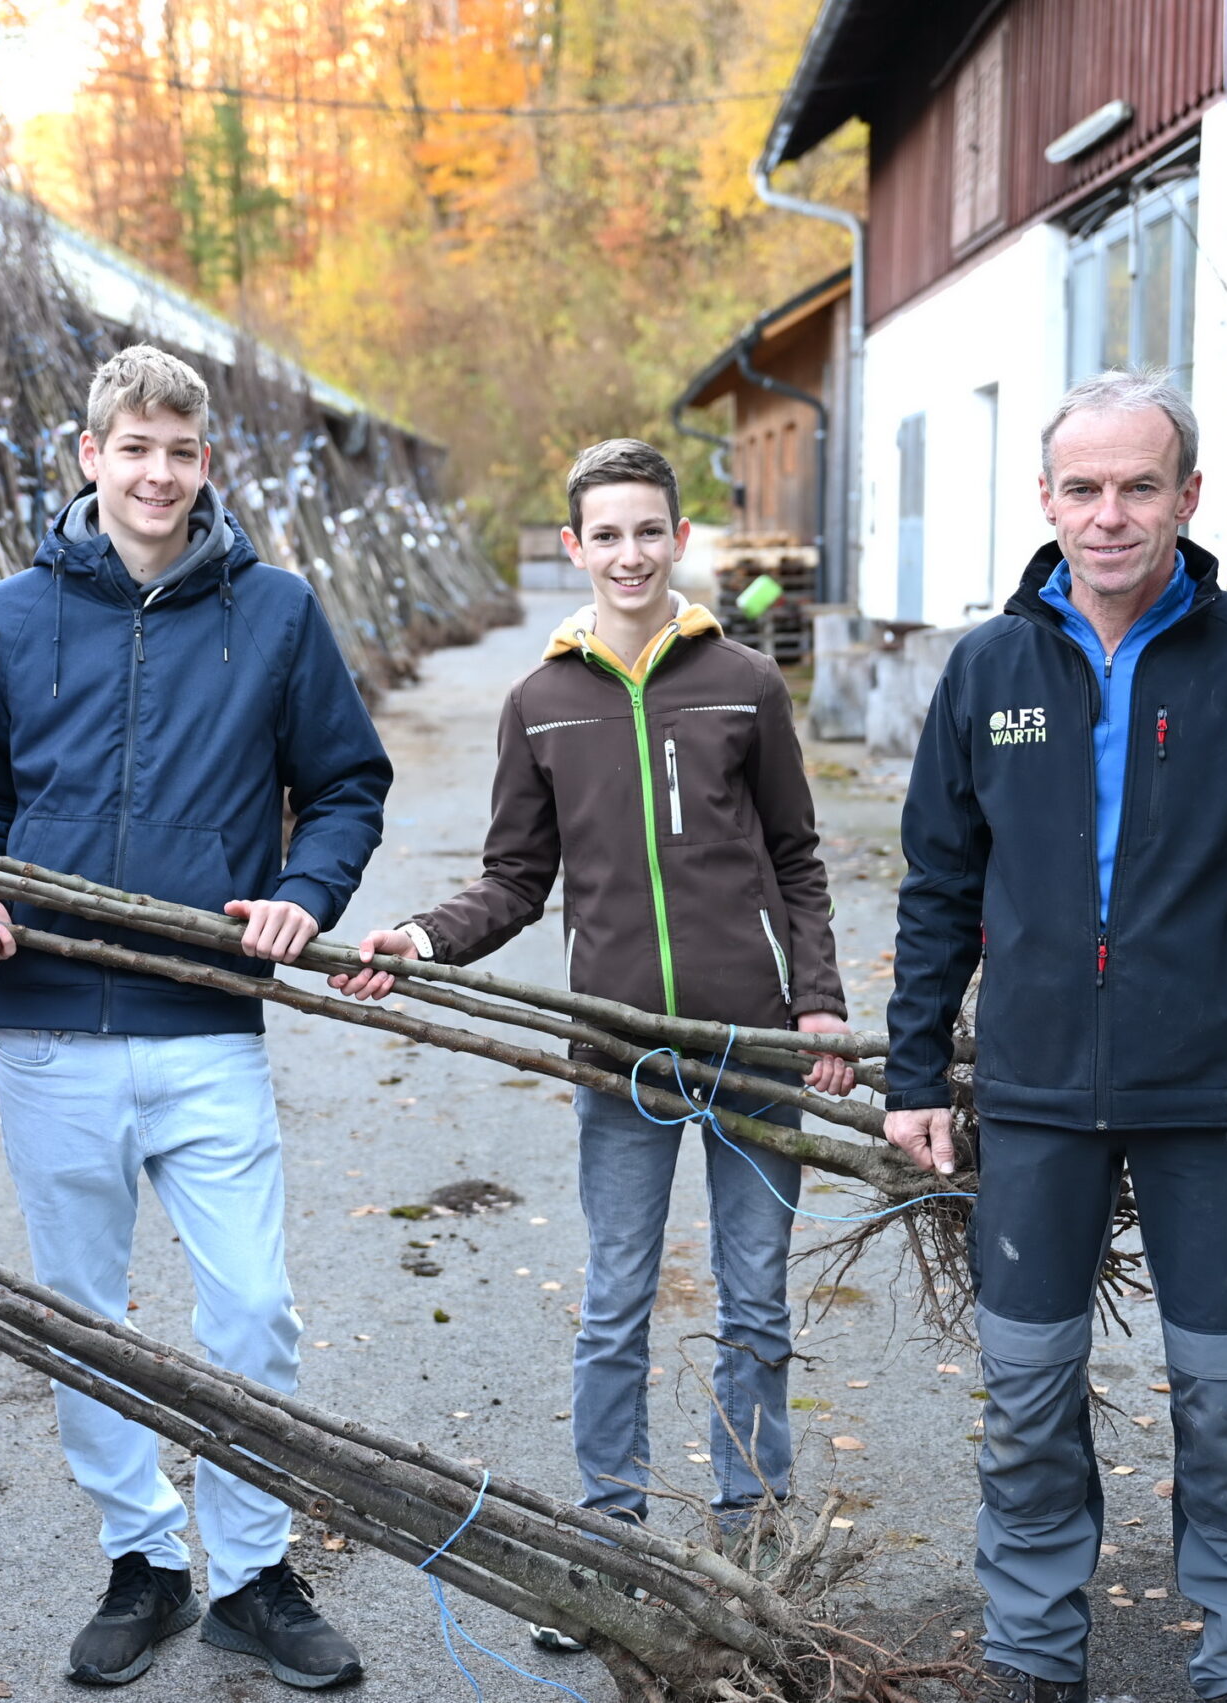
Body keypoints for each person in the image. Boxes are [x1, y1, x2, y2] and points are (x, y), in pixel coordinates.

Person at [882, 372, 1227, 1703]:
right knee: (1029, 1396)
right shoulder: (988, 666)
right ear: (1046, 499)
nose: (1111, 515)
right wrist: (915, 1069)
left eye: (1139, 485)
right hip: (1032, 1095)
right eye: (1084, 488)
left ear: (1187, 496)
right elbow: (936, 881)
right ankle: (1036, 1653)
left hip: (1209, 1095)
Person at [332, 439, 855, 1642]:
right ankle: (606, 1539)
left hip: (752, 1044)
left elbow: (798, 860)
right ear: (574, 548)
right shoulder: (541, 701)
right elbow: (514, 877)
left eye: (647, 530)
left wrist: (815, 998)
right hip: (617, 1050)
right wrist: (420, 935)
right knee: (616, 1297)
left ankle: (752, 1538)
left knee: (754, 1302)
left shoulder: (743, 685)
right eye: (603, 533)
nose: (627, 552)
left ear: (680, 538)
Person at [0, 345, 389, 1691]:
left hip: (202, 1018)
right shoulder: (6, 618)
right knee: (85, 1310)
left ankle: (253, 1570)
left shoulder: (278, 613)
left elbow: (348, 780)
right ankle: (145, 1556)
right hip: (51, 1019)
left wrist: (306, 890)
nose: (159, 473)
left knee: (253, 1308)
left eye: (182, 452)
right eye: (135, 447)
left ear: (206, 464)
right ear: (89, 456)